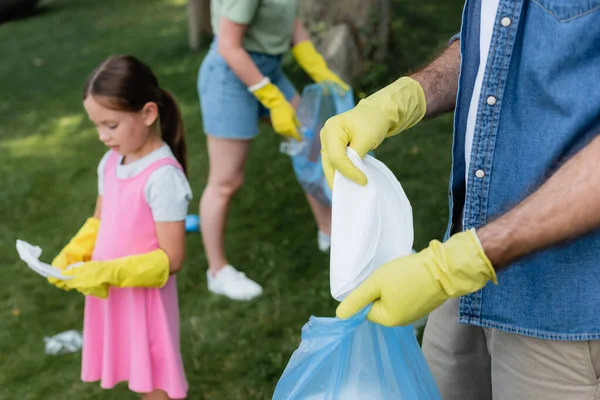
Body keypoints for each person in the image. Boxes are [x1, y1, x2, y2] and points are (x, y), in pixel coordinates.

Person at [321, 1, 600, 399]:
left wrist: (454, 266)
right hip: (463, 273)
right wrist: (405, 97)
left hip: (561, 307)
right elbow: (497, 45)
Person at [49, 55, 191, 400]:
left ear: (147, 113)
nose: (102, 136)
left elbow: (172, 258)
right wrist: (75, 251)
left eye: (110, 125)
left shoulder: (163, 177)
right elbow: (100, 218)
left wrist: (108, 270)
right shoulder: (112, 160)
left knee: (154, 380)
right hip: (114, 292)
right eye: (96, 125)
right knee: (135, 372)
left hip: (144, 299)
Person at [197, 0, 348, 301]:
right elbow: (229, 45)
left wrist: (321, 71)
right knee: (226, 182)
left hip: (268, 69)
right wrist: (274, 100)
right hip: (231, 75)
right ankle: (218, 272)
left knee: (312, 146)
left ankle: (329, 231)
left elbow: (294, 28)